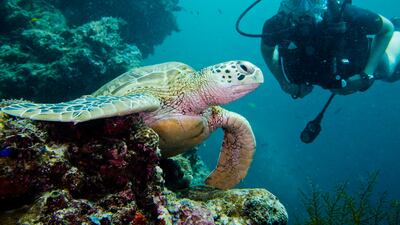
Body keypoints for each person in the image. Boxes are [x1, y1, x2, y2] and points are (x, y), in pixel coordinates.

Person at [261, 0, 400, 98]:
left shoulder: (343, 14)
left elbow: (387, 29)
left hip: (363, 61)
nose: (304, 7)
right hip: (327, 74)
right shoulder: (277, 26)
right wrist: (284, 83)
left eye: (312, 1)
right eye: (296, 1)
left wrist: (366, 74)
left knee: (388, 70)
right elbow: (268, 51)